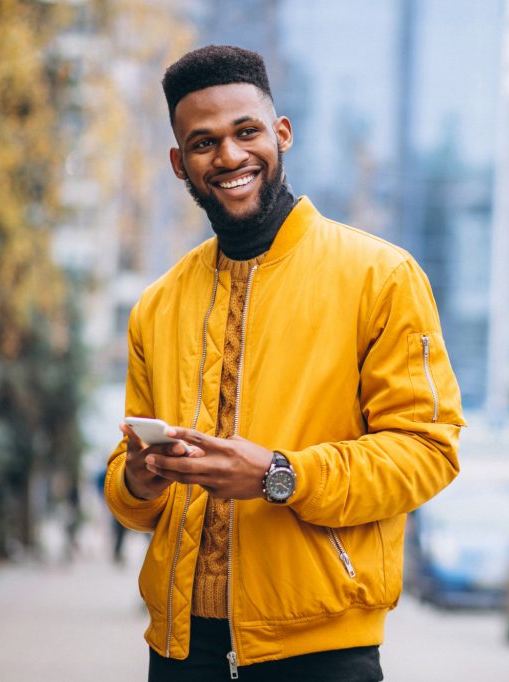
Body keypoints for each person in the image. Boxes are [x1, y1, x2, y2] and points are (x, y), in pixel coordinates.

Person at [103, 45, 464, 681]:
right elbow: (128, 498)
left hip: (320, 652)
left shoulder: (380, 277)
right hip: (178, 653)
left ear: (282, 133)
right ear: (179, 163)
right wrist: (140, 478)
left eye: (246, 132)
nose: (230, 157)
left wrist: (280, 475)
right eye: (203, 142)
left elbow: (429, 452)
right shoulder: (156, 306)